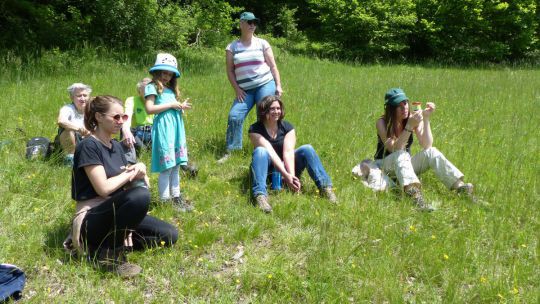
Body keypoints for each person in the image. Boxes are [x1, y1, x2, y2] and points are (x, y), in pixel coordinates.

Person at [69, 95, 178, 277]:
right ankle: (110, 254)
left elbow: (123, 181)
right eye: (116, 117)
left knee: (168, 235)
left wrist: (137, 172)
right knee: (140, 196)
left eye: (124, 117)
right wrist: (130, 173)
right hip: (93, 216)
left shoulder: (116, 146)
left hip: (116, 214)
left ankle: (103, 245)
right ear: (98, 117)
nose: (121, 121)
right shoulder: (89, 146)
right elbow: (103, 188)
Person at [374, 88, 476, 211]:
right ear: (390, 108)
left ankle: (461, 188)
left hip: (403, 165)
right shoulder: (382, 122)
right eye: (399, 106)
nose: (404, 108)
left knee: (431, 152)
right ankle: (415, 197)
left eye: (405, 103)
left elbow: (427, 144)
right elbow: (394, 149)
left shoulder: (411, 118)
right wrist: (409, 126)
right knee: (401, 154)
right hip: (384, 167)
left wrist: (426, 118)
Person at [248, 95, 336, 213]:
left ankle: (326, 189)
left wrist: (291, 178)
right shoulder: (255, 129)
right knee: (260, 151)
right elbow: (271, 152)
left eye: (278, 108)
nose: (276, 111)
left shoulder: (287, 127)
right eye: (272, 109)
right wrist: (285, 174)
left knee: (307, 148)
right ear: (264, 110)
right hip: (266, 170)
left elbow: (288, 152)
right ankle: (260, 196)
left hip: (287, 169)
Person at [218, 11, 283, 164]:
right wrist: (237, 89)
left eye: (254, 22)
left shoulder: (262, 43)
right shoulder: (232, 47)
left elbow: (273, 66)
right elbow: (230, 70)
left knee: (265, 114)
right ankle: (232, 151)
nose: (252, 25)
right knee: (235, 116)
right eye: (249, 22)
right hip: (244, 90)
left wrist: (278, 85)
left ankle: (267, 149)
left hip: (265, 84)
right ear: (241, 24)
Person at [144, 53, 194, 212]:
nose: (167, 76)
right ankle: (165, 200)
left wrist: (179, 106)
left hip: (176, 128)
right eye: (164, 73)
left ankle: (176, 196)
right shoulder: (151, 87)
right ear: (157, 72)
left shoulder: (171, 90)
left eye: (170, 73)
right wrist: (172, 105)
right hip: (164, 129)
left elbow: (171, 106)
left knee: (177, 164)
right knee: (167, 165)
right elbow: (150, 109)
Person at [122, 78, 198, 177]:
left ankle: (186, 165)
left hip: (155, 130)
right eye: (145, 91)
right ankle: (130, 165)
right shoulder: (132, 100)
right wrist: (126, 130)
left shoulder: (159, 99)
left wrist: (180, 107)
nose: (148, 94)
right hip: (139, 132)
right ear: (139, 90)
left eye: (151, 91)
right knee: (125, 132)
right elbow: (126, 117)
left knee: (171, 143)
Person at [56, 83, 92, 165]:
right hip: (73, 139)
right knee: (66, 129)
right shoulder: (67, 108)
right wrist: (79, 129)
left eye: (85, 95)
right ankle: (70, 159)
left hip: (88, 140)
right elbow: (61, 121)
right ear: (72, 98)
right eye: (79, 96)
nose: (82, 98)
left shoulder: (93, 109)